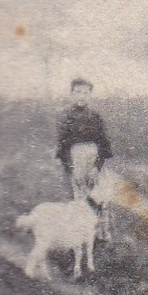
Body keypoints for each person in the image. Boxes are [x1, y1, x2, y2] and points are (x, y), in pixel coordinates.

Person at [55, 78, 112, 211]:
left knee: (99, 196)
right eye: (78, 92)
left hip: (93, 160)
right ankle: (83, 228)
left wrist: (96, 167)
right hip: (75, 161)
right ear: (72, 94)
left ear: (90, 95)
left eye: (85, 92)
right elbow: (63, 147)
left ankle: (103, 229)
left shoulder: (95, 116)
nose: (81, 96)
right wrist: (71, 168)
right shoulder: (67, 117)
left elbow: (103, 144)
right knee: (79, 199)